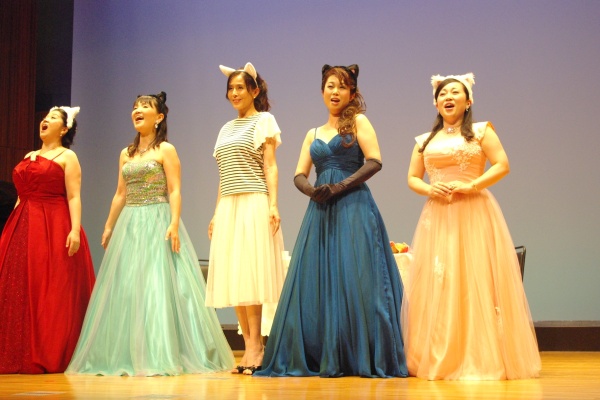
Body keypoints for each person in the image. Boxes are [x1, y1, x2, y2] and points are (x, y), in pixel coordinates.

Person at [66, 92, 234, 376]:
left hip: (158, 218)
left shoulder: (166, 150)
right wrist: (109, 225)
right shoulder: (126, 153)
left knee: (157, 284)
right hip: (130, 222)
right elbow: (120, 193)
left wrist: (174, 221)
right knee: (127, 285)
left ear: (159, 117)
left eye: (145, 106)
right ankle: (127, 352)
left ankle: (160, 351)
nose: (137, 110)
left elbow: (175, 189)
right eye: (135, 107)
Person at [255, 64, 408, 378]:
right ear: (322, 91)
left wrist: (339, 187)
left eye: (342, 87)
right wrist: (312, 191)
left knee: (359, 279)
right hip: (321, 210)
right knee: (319, 280)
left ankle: (362, 354)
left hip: (354, 207)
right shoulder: (312, 133)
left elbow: (375, 160)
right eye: (330, 86)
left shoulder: (358, 122)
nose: (335, 92)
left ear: (352, 92)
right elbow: (299, 174)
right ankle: (325, 352)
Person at [402, 73, 541, 380]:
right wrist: (430, 189)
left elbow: (502, 164)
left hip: (474, 210)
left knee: (475, 277)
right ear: (436, 103)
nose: (448, 97)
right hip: (438, 214)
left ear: (468, 101)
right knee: (441, 280)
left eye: (455, 92)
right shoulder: (425, 141)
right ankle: (439, 354)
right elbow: (412, 178)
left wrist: (473, 185)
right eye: (442, 94)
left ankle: (479, 355)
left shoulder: (481, 131)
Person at [0, 106, 96, 373]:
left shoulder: (68, 156)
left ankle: (49, 351)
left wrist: (74, 229)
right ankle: (18, 350)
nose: (45, 120)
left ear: (64, 129)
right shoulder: (29, 156)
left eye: (53, 118)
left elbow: (74, 196)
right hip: (23, 223)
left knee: (49, 287)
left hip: (53, 223)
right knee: (19, 286)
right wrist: (13, 226)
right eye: (45, 117)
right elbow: (21, 195)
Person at [205, 63, 285, 375]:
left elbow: (270, 166)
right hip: (229, 204)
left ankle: (256, 347)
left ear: (254, 91)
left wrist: (273, 204)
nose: (235, 93)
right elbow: (223, 175)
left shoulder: (264, 120)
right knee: (234, 274)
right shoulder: (225, 129)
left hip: (254, 200)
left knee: (251, 273)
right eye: (231, 89)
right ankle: (249, 342)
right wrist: (215, 212)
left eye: (240, 87)